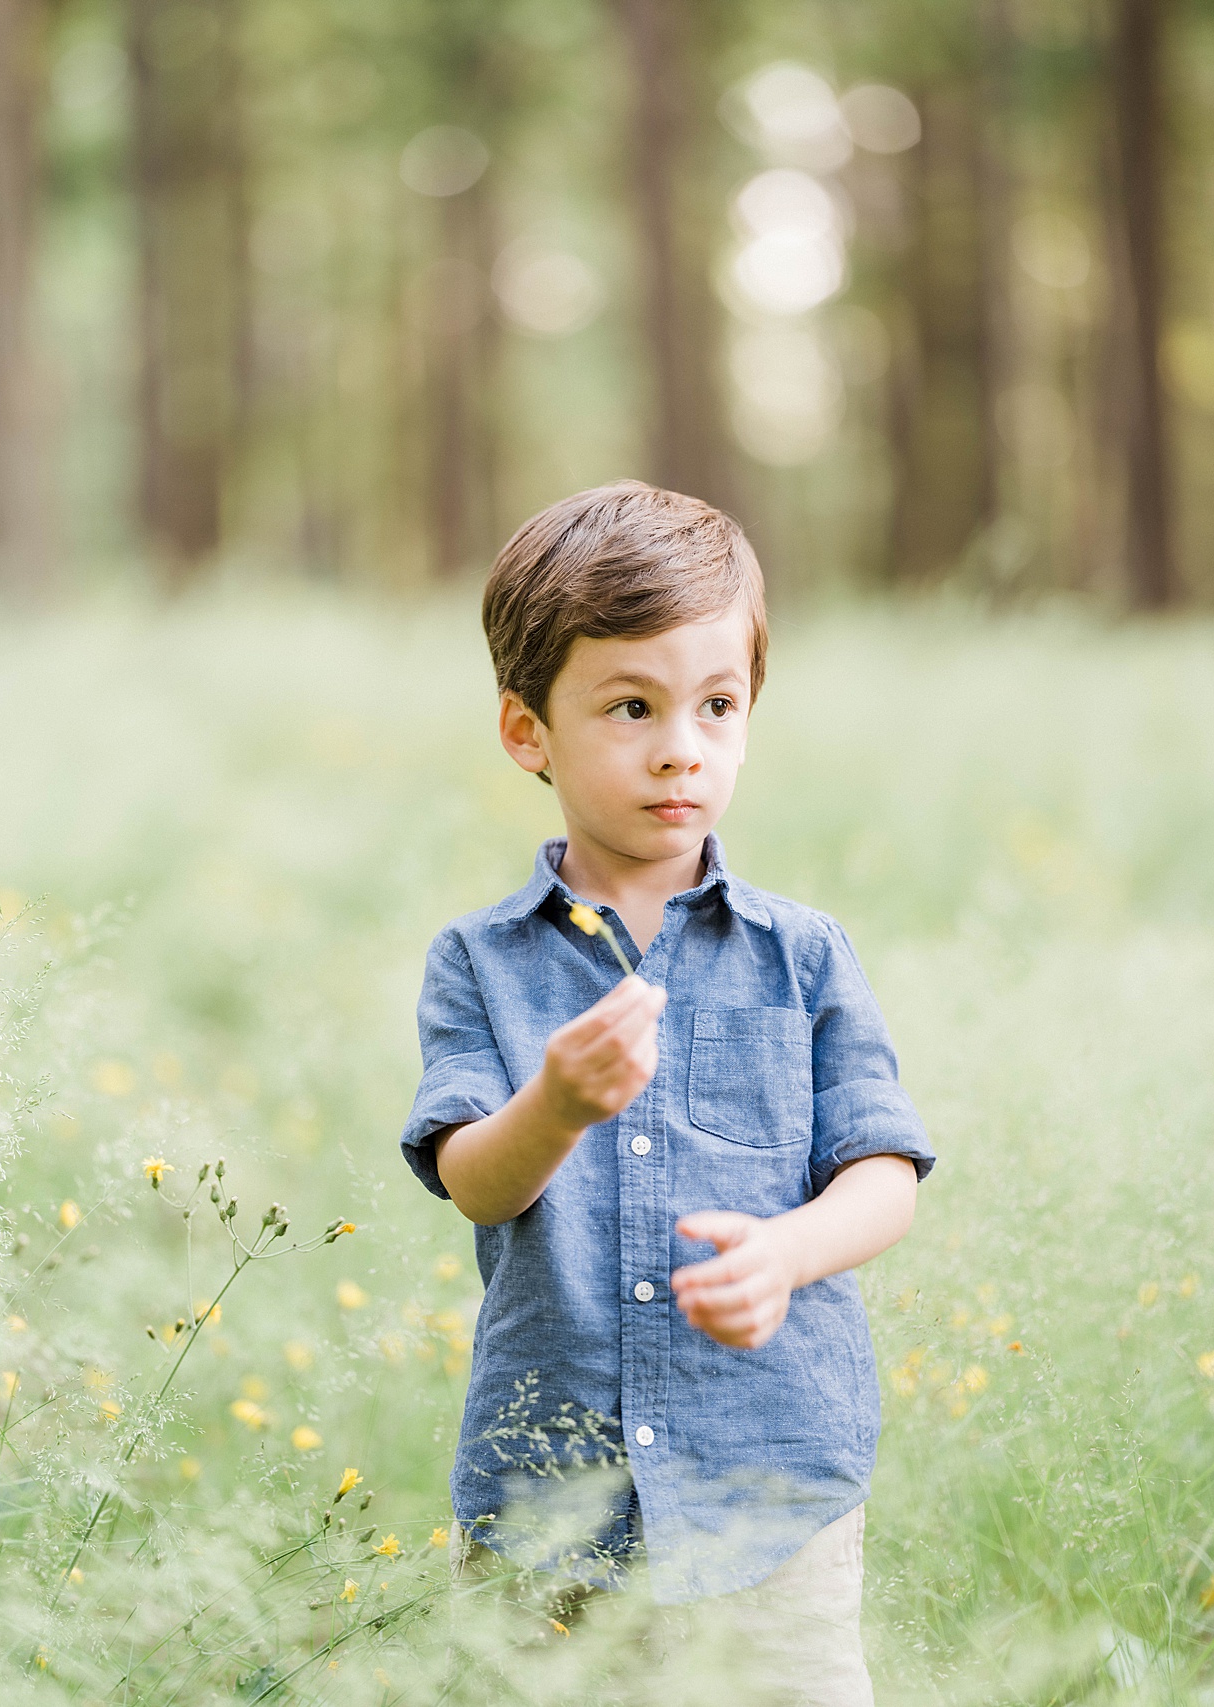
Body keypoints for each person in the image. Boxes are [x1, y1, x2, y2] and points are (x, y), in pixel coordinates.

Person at [400, 481, 934, 1704]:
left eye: (716, 705)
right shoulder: (480, 961)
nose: (680, 745)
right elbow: (473, 1182)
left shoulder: (799, 955)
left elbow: (883, 1172)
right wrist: (555, 1106)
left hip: (768, 1477)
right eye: (630, 706)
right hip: (551, 1486)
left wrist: (788, 1252)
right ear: (526, 730)